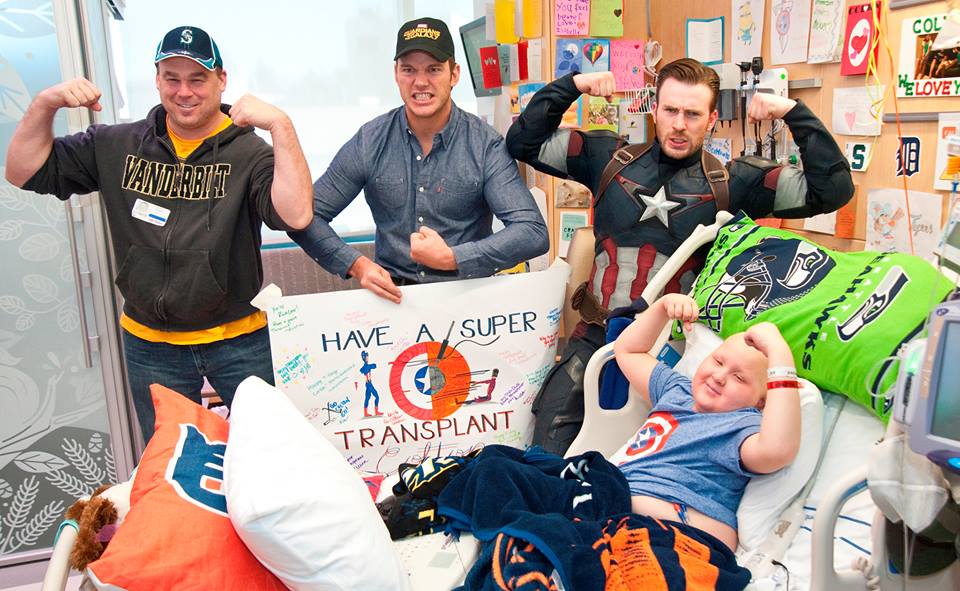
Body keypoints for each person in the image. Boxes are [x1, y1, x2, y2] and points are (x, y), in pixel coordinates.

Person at [506, 58, 853, 454]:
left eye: (692, 114)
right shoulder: (608, 160)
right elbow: (522, 142)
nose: (679, 124)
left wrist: (793, 112)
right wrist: (574, 84)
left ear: (711, 119)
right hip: (594, 340)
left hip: (672, 355)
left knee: (641, 469)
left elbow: (833, 189)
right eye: (670, 110)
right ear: (655, 110)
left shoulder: (735, 183)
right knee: (544, 457)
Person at [5, 25, 313, 442]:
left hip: (238, 340)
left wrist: (281, 124)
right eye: (172, 78)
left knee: (272, 448)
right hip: (151, 345)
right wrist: (45, 103)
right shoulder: (117, 144)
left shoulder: (248, 152)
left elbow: (296, 215)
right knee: (169, 460)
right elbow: (22, 172)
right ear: (157, 80)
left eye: (197, 79)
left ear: (221, 80)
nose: (184, 92)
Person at [289, 17, 549, 303]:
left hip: (468, 303)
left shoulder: (485, 145)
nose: (420, 81)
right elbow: (302, 218)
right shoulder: (370, 141)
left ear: (454, 74)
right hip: (393, 302)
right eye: (409, 69)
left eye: (434, 69)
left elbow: (532, 232)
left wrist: (453, 258)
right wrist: (356, 265)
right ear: (396, 74)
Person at [611, 293, 801, 551]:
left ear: (761, 402)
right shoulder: (677, 390)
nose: (720, 376)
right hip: (616, 504)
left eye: (740, 378)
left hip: (673, 529)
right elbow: (628, 351)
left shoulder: (740, 425)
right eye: (718, 361)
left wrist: (779, 355)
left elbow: (776, 450)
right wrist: (663, 307)